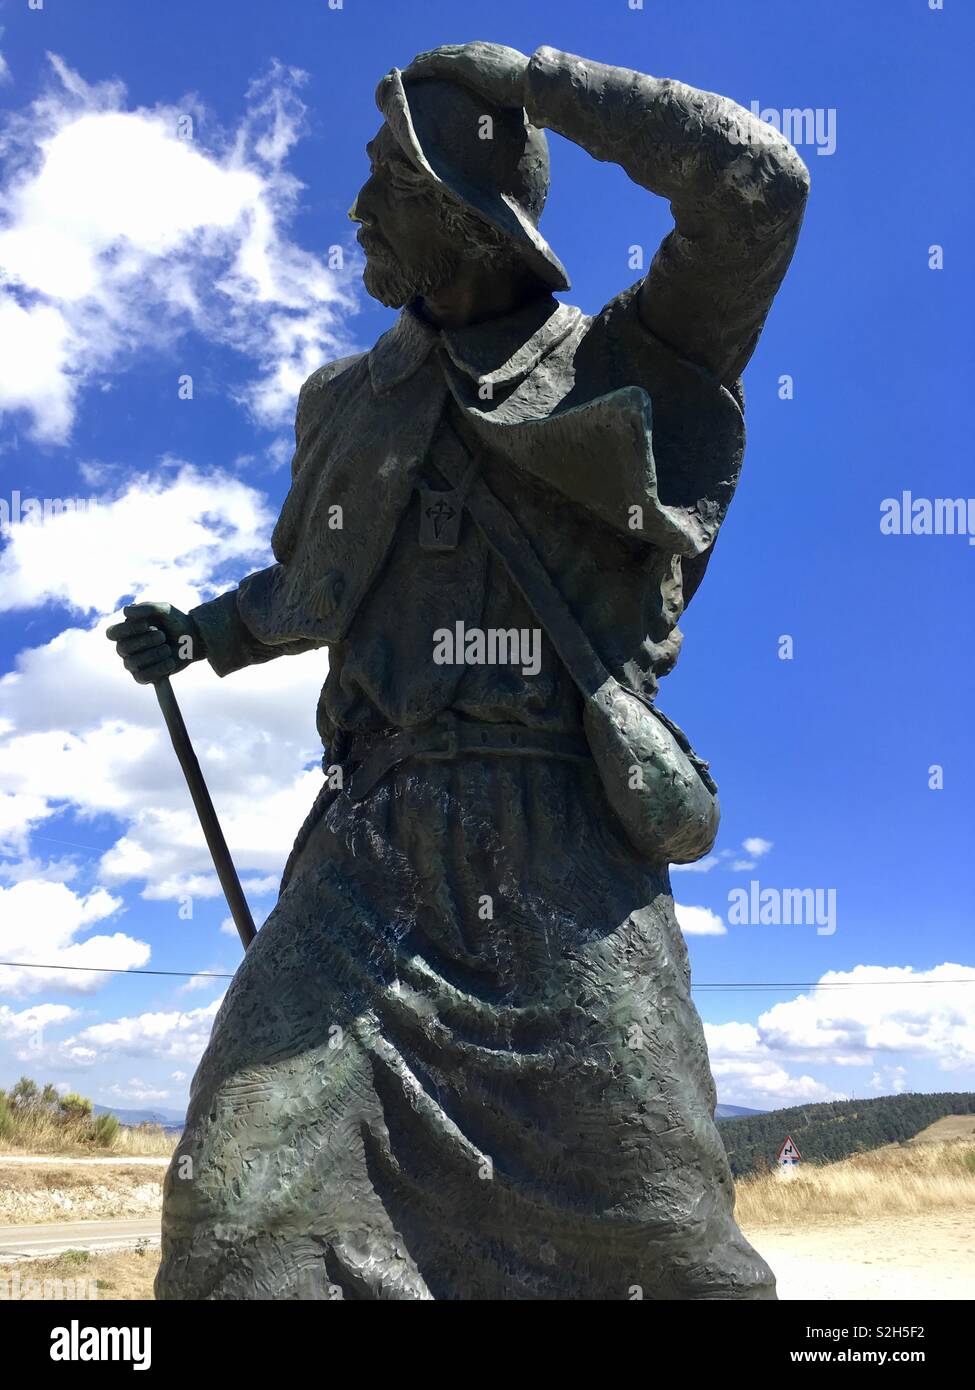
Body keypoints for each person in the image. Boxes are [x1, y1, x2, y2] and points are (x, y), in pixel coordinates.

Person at [108, 42, 809, 1300]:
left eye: (390, 176)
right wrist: (204, 632)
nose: (359, 210)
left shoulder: (634, 365)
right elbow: (319, 588)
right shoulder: (347, 401)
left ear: (470, 210)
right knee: (233, 1219)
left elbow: (759, 188)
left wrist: (540, 83)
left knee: (666, 1254)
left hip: (564, 863)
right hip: (363, 859)